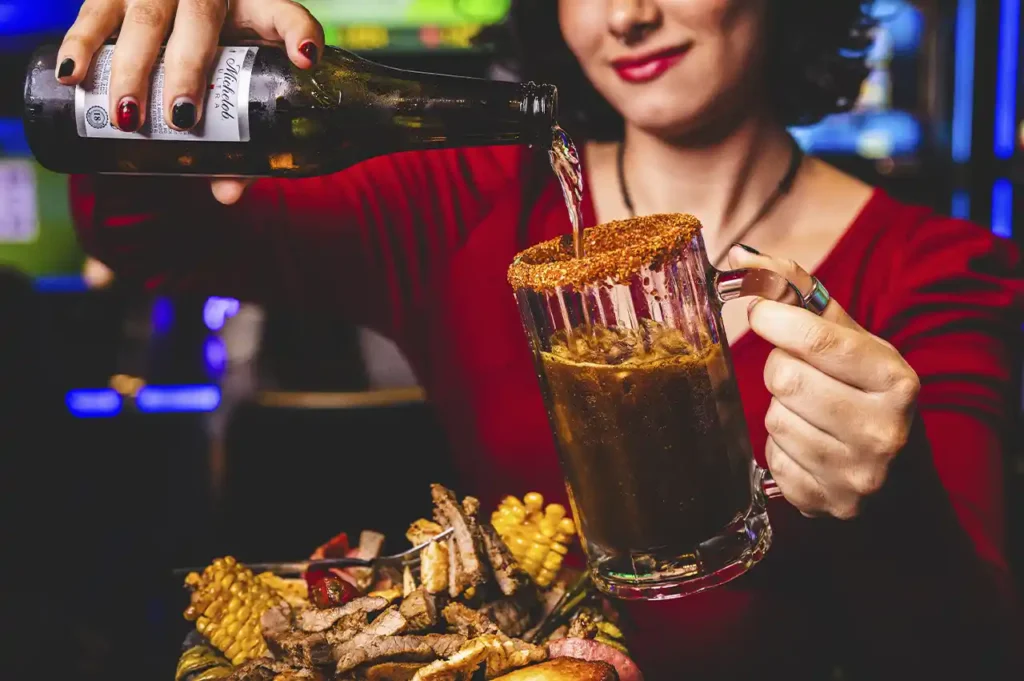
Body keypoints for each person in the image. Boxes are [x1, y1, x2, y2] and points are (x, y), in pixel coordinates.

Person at [59, 0, 1022, 678]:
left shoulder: (939, 269)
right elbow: (155, 237)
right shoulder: (470, 200)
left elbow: (968, 653)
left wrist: (895, 501)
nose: (624, 15)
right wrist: (164, 73)